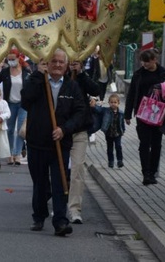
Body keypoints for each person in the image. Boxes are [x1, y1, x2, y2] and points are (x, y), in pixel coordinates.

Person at [21, 48, 86, 237]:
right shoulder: (37, 80)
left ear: (66, 66)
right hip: (37, 142)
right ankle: (39, 216)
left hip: (60, 144)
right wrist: (37, 76)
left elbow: (80, 112)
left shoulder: (72, 87)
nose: (57, 65)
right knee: (40, 183)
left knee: (60, 183)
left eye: (61, 62)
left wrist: (64, 129)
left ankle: (60, 221)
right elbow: (26, 100)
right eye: (54, 61)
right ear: (47, 63)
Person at [124, 49, 165, 186]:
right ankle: (146, 173)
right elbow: (131, 94)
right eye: (142, 61)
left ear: (154, 60)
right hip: (142, 113)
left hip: (159, 114)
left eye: (147, 61)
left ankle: (152, 173)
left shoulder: (164, 73)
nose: (144, 64)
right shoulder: (138, 74)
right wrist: (127, 114)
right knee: (144, 143)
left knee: (156, 144)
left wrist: (164, 90)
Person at [66, 58, 99, 225]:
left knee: (78, 169)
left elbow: (96, 89)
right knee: (60, 170)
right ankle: (59, 202)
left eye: (76, 62)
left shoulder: (82, 77)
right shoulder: (59, 77)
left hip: (79, 130)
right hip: (60, 131)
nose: (72, 64)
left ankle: (74, 209)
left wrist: (80, 73)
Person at [0, 48, 31, 165]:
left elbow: (32, 86)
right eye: (8, 60)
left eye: (12, 59)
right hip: (9, 104)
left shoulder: (26, 71)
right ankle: (9, 153)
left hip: (23, 104)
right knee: (9, 129)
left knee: (20, 130)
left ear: (19, 58)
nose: (11, 62)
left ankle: (17, 154)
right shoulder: (5, 71)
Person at [94, 93, 126, 168]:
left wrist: (123, 130)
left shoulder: (121, 113)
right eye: (111, 102)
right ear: (109, 103)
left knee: (118, 147)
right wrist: (94, 105)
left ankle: (119, 161)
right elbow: (99, 109)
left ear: (118, 103)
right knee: (110, 148)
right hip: (109, 133)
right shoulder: (106, 111)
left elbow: (122, 123)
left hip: (118, 133)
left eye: (115, 102)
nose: (113, 104)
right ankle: (111, 161)